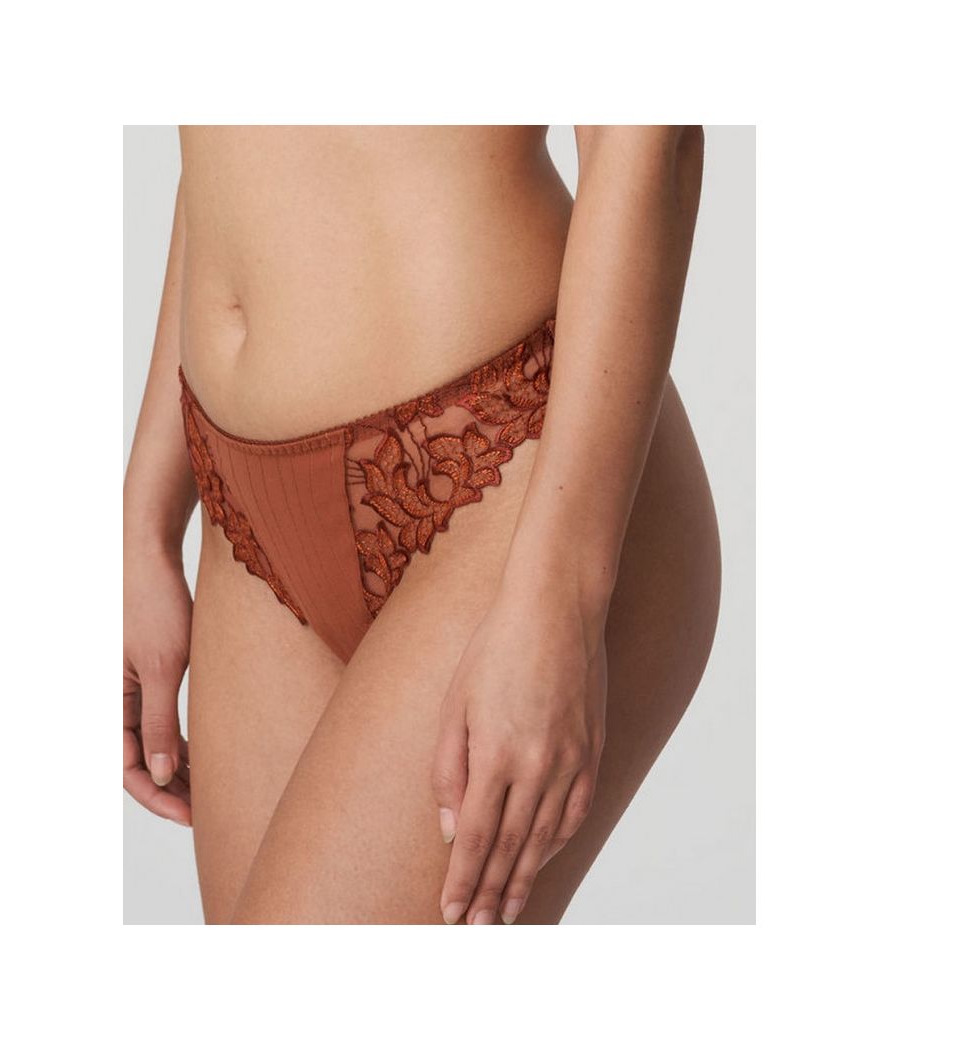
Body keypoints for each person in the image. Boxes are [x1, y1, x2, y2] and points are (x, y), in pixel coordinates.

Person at [123, 125, 721, 924]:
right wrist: (146, 517)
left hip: (513, 476)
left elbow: (649, 141)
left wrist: (563, 603)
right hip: (243, 523)